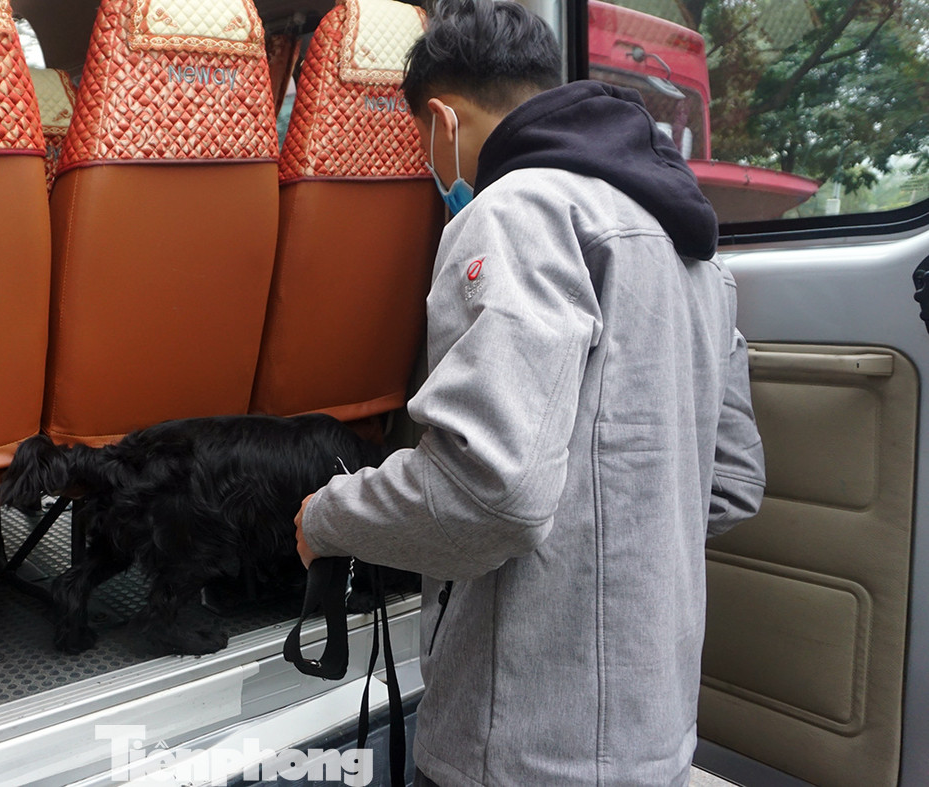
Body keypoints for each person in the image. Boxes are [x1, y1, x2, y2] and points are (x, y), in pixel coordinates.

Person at [293, 1, 766, 785]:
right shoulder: (693, 250)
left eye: (422, 140)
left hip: (519, 748)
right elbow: (732, 481)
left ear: (443, 118)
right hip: (655, 735)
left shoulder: (513, 213)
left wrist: (327, 517)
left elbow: (488, 491)